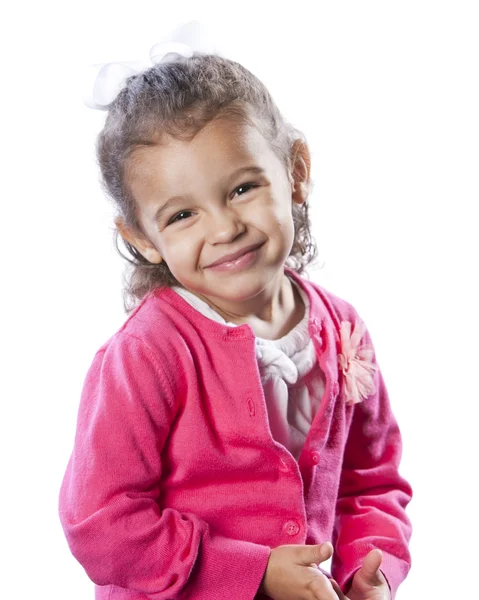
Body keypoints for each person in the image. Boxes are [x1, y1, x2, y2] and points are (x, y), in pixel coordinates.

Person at [58, 27, 413, 600]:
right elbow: (100, 525)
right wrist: (253, 572)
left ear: (295, 171)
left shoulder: (343, 325)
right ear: (142, 237)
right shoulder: (148, 352)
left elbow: (370, 482)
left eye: (243, 187)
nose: (224, 229)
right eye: (181, 216)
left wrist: (368, 568)